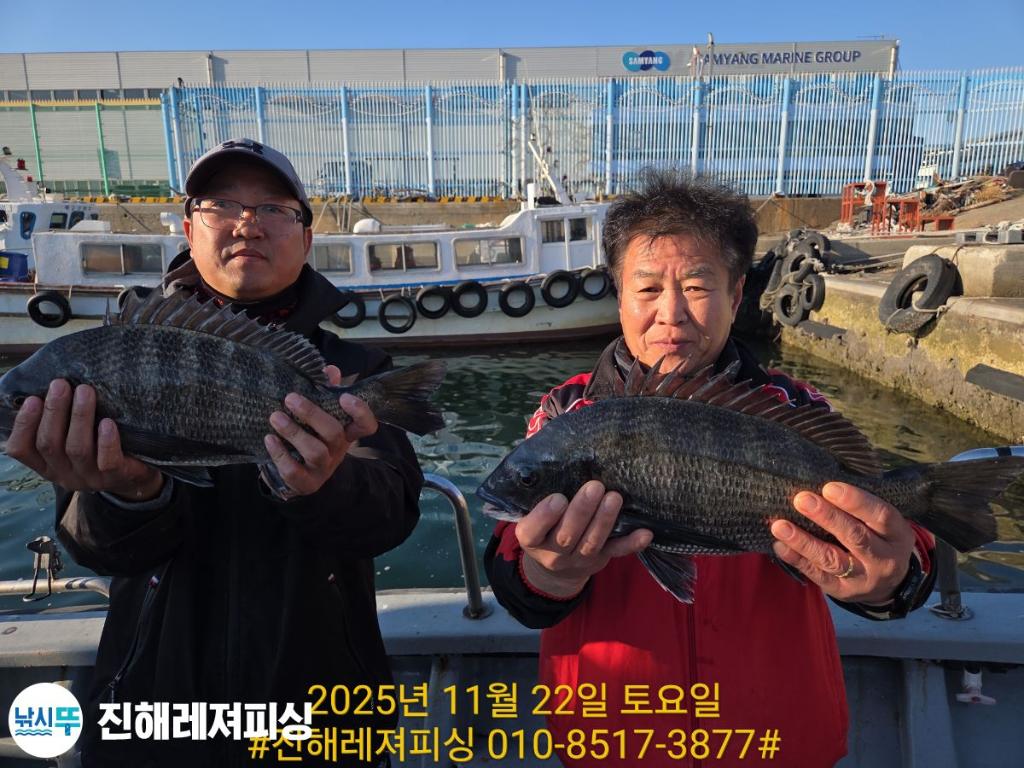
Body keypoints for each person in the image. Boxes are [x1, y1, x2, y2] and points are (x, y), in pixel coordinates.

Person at [485, 170, 937, 768]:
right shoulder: (566, 413)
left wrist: (888, 579)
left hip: (776, 742)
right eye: (648, 288)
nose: (671, 314)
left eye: (697, 286)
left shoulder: (796, 409)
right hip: (614, 743)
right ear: (618, 295)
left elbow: (908, 558)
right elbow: (513, 573)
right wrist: (549, 574)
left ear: (737, 293)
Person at [6, 138, 422, 767]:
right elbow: (96, 550)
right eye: (221, 204)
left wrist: (325, 484)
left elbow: (389, 521)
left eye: (274, 208)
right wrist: (129, 494)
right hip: (154, 713)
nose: (247, 223)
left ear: (307, 239)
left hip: (316, 714)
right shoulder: (96, 360)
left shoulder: (353, 371)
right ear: (187, 229)